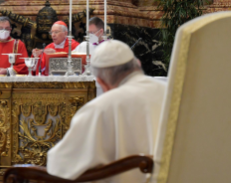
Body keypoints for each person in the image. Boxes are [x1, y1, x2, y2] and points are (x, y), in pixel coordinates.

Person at [47, 40, 166, 183]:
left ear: (101, 82)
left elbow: (59, 166)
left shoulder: (100, 108)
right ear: (138, 64)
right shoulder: (171, 92)